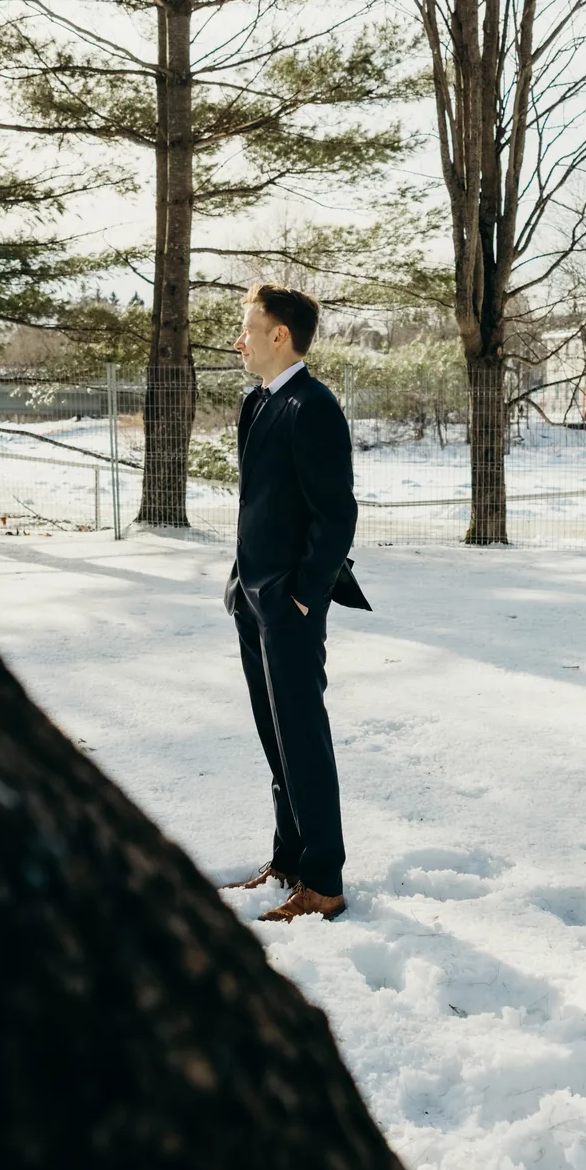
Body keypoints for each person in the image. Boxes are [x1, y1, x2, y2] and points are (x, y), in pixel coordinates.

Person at [222, 283, 370, 922]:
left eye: (248, 328)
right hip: (251, 599)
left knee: (303, 737)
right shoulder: (257, 404)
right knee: (273, 736)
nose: (240, 340)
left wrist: (304, 599)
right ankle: (287, 859)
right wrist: (240, 584)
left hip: (289, 605)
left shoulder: (315, 407)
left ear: (278, 335)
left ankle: (322, 881)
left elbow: (336, 517)